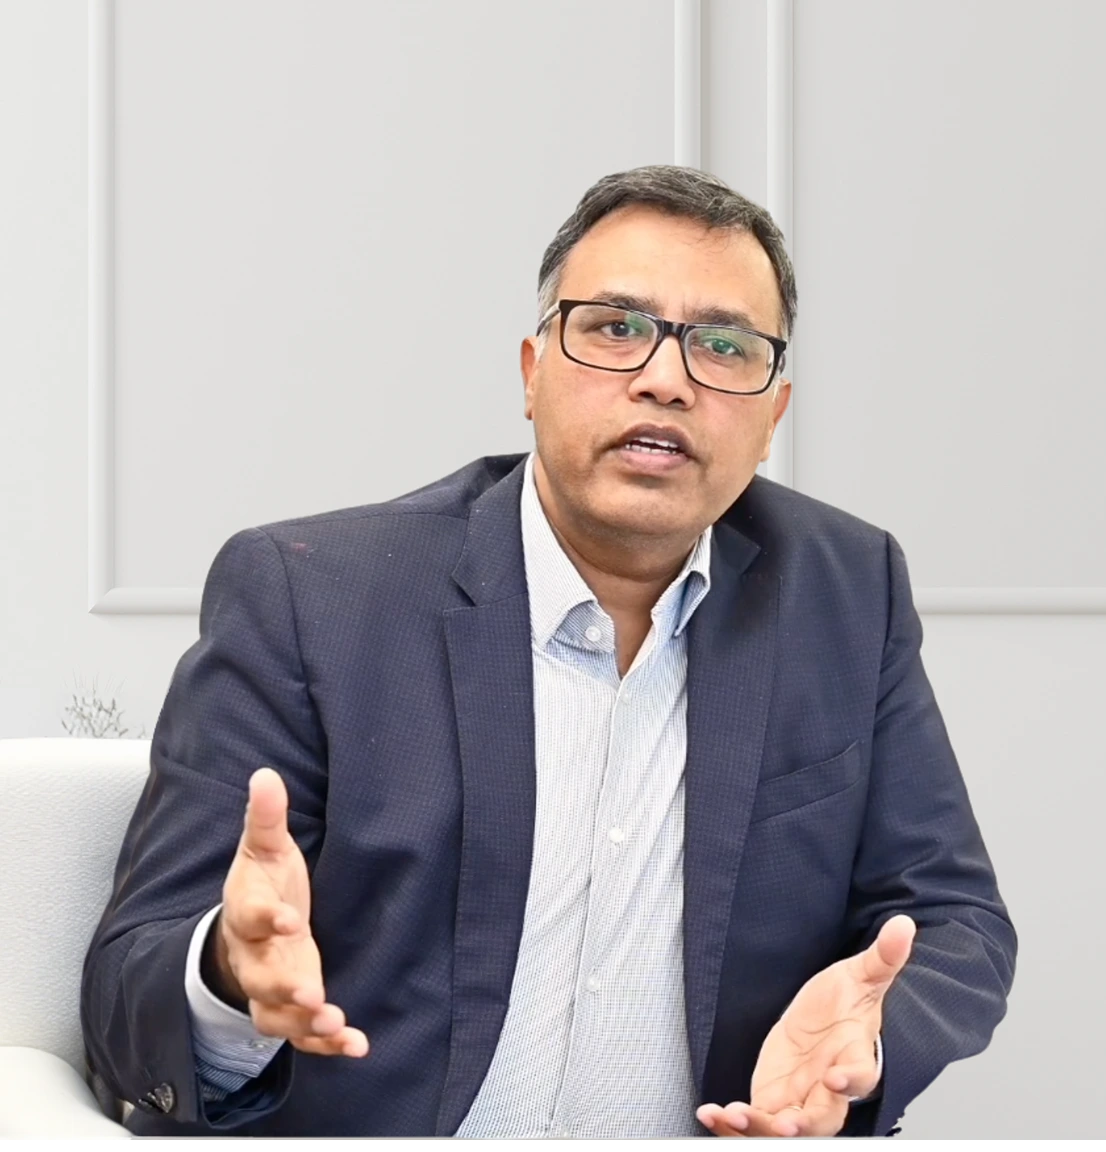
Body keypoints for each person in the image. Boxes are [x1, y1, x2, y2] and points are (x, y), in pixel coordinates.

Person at [81, 165, 1016, 1140]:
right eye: (614, 328)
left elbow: (955, 918)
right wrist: (229, 976)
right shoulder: (312, 597)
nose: (665, 379)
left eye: (723, 346)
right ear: (533, 372)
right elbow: (125, 989)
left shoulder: (845, 592)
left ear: (772, 416)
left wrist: (872, 1037)